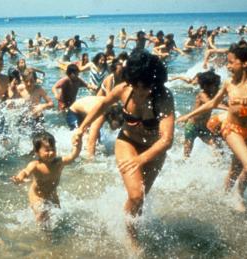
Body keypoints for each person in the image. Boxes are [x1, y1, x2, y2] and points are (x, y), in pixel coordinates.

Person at [73, 50, 174, 247]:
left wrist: (140, 160)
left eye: (146, 87)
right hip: (127, 142)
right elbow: (102, 105)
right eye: (136, 86)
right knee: (136, 194)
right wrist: (82, 128)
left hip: (154, 150)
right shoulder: (123, 89)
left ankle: (132, 224)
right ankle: (132, 240)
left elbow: (167, 140)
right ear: (131, 80)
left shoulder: (163, 96)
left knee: (140, 198)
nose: (140, 91)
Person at [177, 44, 247, 212]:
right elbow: (212, 104)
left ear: (245, 64)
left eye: (231, 62)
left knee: (235, 170)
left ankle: (224, 194)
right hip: (230, 129)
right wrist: (188, 115)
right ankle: (238, 197)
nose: (227, 65)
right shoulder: (229, 83)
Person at [11, 131, 81, 227]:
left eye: (53, 149)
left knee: (59, 217)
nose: (51, 152)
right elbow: (25, 171)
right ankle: (46, 238)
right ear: (37, 152)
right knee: (41, 216)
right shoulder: (35, 165)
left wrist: (77, 146)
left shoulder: (59, 162)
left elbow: (73, 156)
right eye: (47, 150)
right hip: (37, 195)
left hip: (52, 194)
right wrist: (19, 178)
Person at [181, 70, 226, 158]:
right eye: (215, 85)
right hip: (191, 127)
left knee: (215, 145)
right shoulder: (202, 95)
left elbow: (221, 101)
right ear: (206, 86)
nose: (217, 87)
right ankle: (183, 164)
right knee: (187, 153)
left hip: (203, 127)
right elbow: (211, 104)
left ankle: (218, 163)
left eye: (217, 85)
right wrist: (228, 108)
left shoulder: (213, 94)